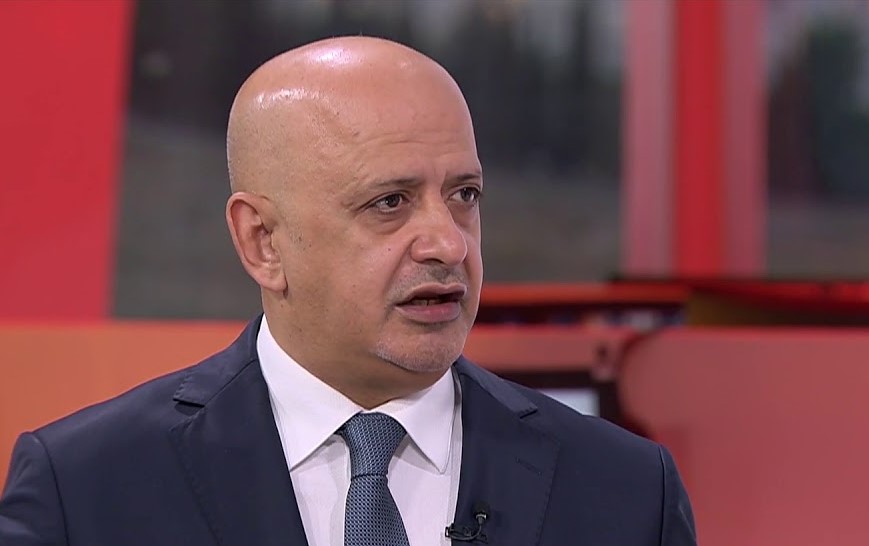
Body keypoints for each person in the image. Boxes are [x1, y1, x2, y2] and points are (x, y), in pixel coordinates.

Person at [0, 36, 696, 545]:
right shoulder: (86, 489)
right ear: (262, 242)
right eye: (389, 202)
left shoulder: (626, 491)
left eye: (464, 195)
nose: (448, 243)